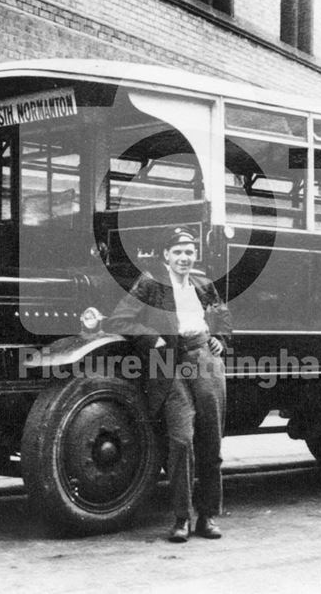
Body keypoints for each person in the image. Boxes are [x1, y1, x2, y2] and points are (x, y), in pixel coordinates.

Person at [105, 226, 232, 543]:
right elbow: (119, 320)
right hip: (168, 366)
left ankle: (207, 517)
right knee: (181, 442)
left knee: (211, 442)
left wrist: (220, 339)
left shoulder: (202, 282)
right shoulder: (151, 283)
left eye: (189, 252)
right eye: (178, 252)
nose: (184, 258)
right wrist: (153, 338)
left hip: (204, 360)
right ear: (166, 256)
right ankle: (181, 518)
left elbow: (222, 314)